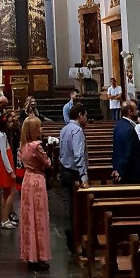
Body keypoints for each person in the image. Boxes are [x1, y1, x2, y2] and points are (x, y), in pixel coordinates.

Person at [19, 116, 51, 271]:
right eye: (39, 127)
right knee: (39, 217)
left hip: (26, 180)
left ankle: (29, 253)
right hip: (37, 180)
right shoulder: (36, 146)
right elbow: (47, 162)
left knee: (28, 217)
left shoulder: (23, 145)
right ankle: (40, 256)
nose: (41, 129)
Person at [59, 103, 88, 253]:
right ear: (80, 115)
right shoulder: (77, 131)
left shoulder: (64, 129)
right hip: (73, 172)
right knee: (77, 208)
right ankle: (75, 238)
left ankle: (72, 235)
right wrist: (84, 176)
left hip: (64, 169)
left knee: (70, 206)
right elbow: (79, 154)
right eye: (86, 115)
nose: (87, 118)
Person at [112, 100, 140, 184]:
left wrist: (116, 168)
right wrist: (120, 171)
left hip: (121, 169)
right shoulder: (129, 129)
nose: (138, 111)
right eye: (136, 109)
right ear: (130, 112)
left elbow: (116, 150)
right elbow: (128, 153)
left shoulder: (118, 125)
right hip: (131, 174)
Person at [0, 114, 17, 229]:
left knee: (6, 193)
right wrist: (10, 171)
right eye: (9, 122)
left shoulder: (3, 135)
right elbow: (3, 154)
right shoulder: (2, 136)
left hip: (6, 166)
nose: (11, 124)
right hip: (5, 167)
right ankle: (4, 219)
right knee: (12, 191)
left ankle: (5, 217)